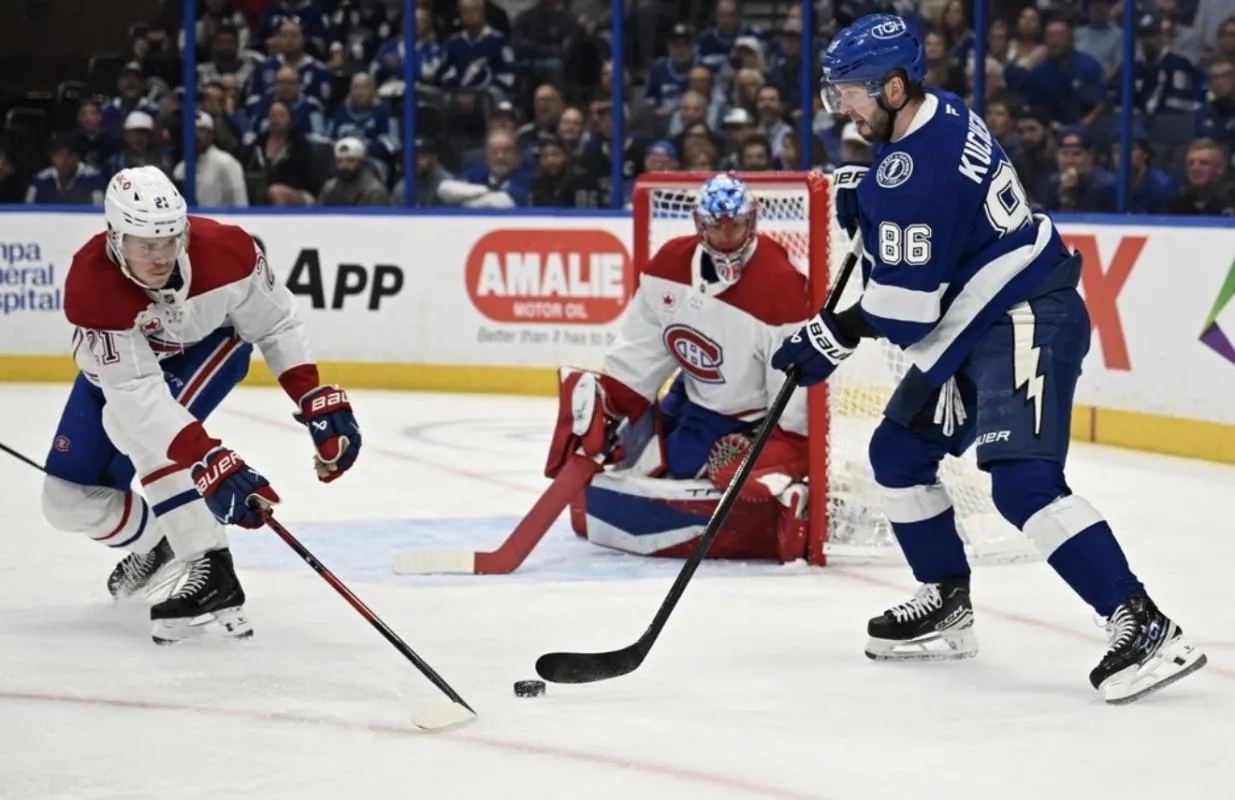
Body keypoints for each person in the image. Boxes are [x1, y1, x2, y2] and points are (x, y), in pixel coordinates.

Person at [770, 14, 1206, 704]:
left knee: (1022, 482)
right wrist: (874, 204)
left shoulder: (907, 175)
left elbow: (906, 309)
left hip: (1027, 311)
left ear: (890, 88)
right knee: (897, 455)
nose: (841, 108)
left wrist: (829, 334)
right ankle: (945, 599)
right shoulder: (938, 111)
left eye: (849, 92)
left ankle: (1143, 624)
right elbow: (932, 237)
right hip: (974, 320)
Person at [41, 166, 362, 645]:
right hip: (120, 378)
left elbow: (275, 324)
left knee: (137, 433)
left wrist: (309, 393)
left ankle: (212, 568)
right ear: (115, 237)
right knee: (64, 502)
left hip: (210, 347)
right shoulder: (93, 283)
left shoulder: (227, 250)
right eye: (145, 245)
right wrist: (206, 458)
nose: (161, 256)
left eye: (170, 240)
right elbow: (135, 392)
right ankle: (162, 540)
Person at [545, 173, 813, 562]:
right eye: (715, 227)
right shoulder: (669, 264)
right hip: (688, 395)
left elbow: (792, 389)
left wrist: (781, 442)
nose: (725, 238)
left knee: (692, 468)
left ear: (752, 220)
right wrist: (614, 403)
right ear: (698, 223)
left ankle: (793, 488)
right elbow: (642, 348)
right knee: (622, 449)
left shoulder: (781, 286)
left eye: (735, 226)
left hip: (742, 415)